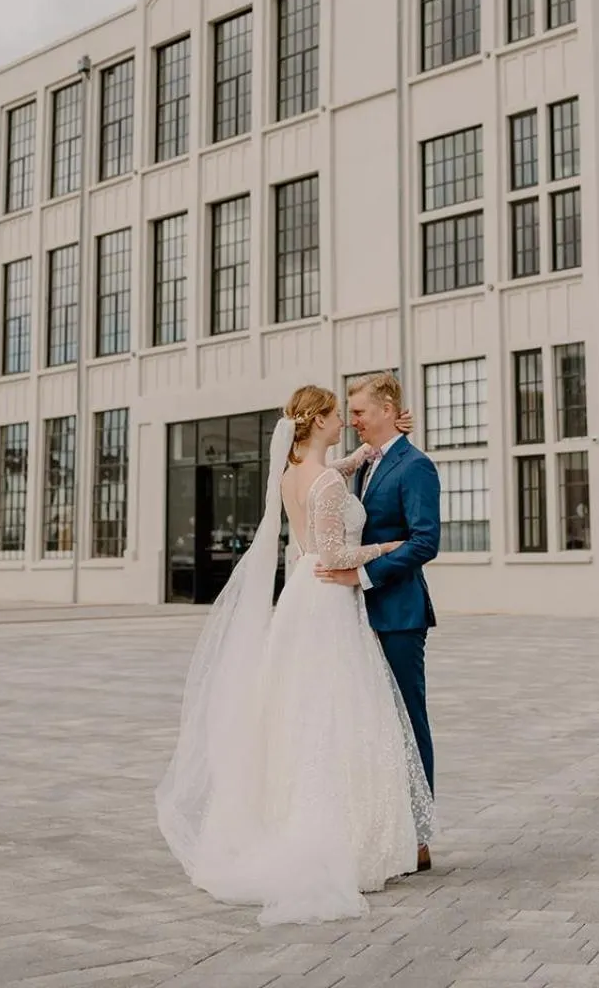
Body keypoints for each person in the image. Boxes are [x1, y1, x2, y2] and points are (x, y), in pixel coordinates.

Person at [155, 386, 436, 926]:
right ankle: (357, 832)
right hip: (331, 596)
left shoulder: (292, 474)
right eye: (340, 415)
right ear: (321, 421)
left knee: (299, 714)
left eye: (355, 414)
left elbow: (342, 472)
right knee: (341, 713)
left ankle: (296, 820)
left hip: (301, 599)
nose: (346, 423)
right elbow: (334, 554)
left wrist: (386, 442)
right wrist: (387, 547)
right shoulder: (328, 480)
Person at [315, 371, 441, 872]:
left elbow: (424, 541)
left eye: (362, 412)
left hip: (398, 613)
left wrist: (363, 575)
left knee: (409, 723)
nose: (356, 422)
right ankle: (384, 829)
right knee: (374, 728)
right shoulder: (370, 463)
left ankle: (420, 837)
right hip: (358, 618)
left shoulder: (416, 466)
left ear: (389, 408)